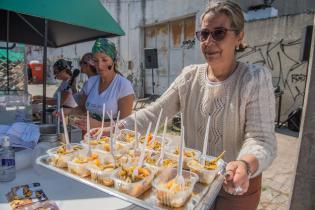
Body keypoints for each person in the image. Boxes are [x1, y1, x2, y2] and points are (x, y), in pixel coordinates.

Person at [116, 1, 276, 210]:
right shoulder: (189, 76)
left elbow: (262, 139)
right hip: (191, 179)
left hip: (236, 182)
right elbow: (155, 113)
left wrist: (245, 164)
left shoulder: (254, 78)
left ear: (239, 37)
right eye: (204, 34)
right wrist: (119, 127)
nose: (208, 42)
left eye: (219, 33)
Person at [65, 38, 135, 129]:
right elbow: (83, 109)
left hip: (110, 141)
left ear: (114, 61)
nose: (99, 65)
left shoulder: (123, 86)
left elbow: (125, 124)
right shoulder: (91, 82)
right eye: (96, 61)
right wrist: (68, 111)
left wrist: (99, 125)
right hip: (87, 139)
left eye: (104, 60)